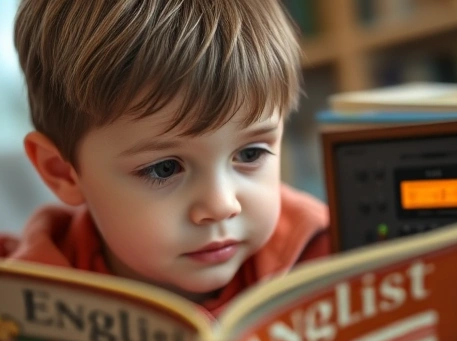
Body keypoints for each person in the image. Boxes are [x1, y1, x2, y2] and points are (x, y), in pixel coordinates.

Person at [0, 0, 330, 318]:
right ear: (63, 172)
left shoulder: (328, 253)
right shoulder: (20, 296)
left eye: (250, 153)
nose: (221, 206)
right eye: (165, 168)